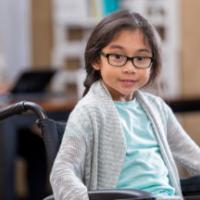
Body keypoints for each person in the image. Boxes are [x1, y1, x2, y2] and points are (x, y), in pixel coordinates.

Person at [50, 10, 200, 200]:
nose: (129, 68)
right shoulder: (88, 112)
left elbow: (194, 157)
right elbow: (62, 173)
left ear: (152, 63)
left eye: (140, 58)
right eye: (118, 57)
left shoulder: (157, 108)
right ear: (96, 60)